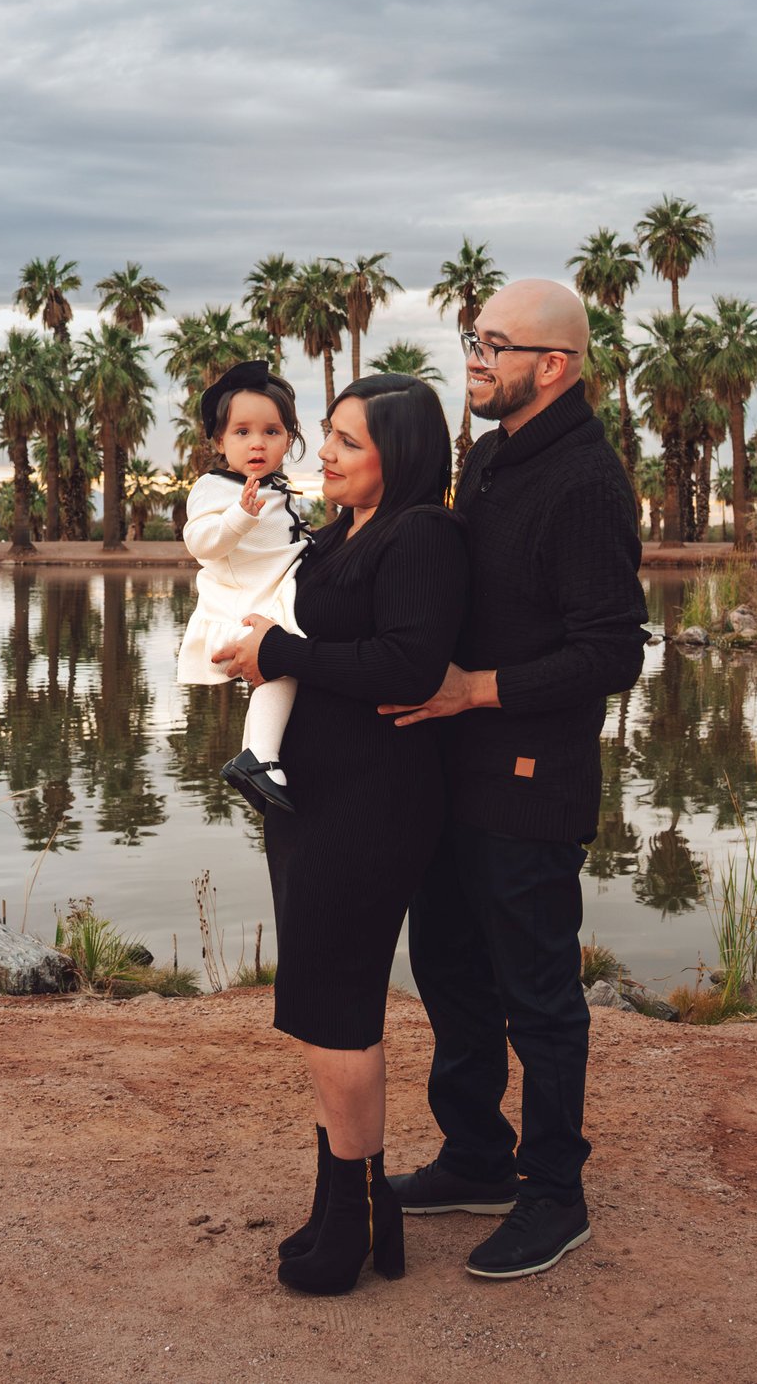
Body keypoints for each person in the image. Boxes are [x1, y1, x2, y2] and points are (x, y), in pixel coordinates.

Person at [378, 279, 647, 1280]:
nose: (473, 356)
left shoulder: (584, 483)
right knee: (450, 971)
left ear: (555, 365)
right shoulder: (489, 457)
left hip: (529, 780)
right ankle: (477, 1156)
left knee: (538, 996)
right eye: (471, 336)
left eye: (494, 343)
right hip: (452, 772)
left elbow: (612, 650)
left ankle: (552, 1194)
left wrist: (477, 688)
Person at [213, 373, 466, 1296]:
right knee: (321, 998)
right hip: (313, 795)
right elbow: (307, 636)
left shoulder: (423, 535)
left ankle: (358, 1212)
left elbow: (409, 660)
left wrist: (280, 655)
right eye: (328, 436)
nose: (322, 451)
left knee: (338, 1000)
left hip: (376, 799)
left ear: (396, 456)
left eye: (347, 441)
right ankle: (348, 1202)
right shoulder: (336, 536)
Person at [176, 361, 310, 813]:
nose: (257, 442)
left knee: (279, 671)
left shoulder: (274, 487)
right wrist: (239, 516)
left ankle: (257, 758)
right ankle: (261, 757)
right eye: (242, 432)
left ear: (289, 439)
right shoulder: (216, 488)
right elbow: (200, 543)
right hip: (242, 607)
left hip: (269, 596)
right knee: (284, 663)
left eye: (272, 431)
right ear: (219, 442)